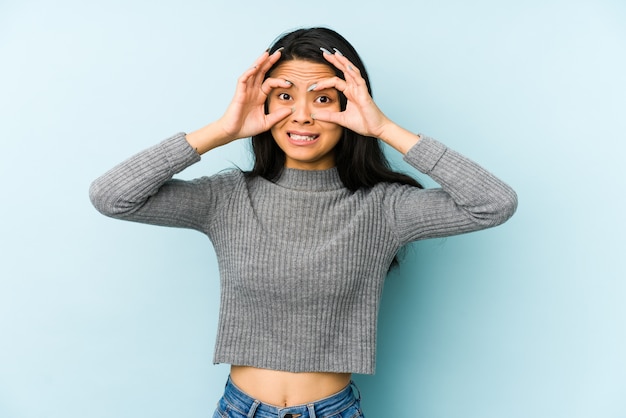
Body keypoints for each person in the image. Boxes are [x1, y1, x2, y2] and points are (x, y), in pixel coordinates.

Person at [90, 27, 517, 418]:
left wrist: (383, 127)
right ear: (265, 105)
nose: (302, 116)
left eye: (323, 98)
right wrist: (222, 130)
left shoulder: (385, 207)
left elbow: (494, 203)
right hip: (239, 409)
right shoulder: (225, 198)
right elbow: (112, 197)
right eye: (286, 96)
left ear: (350, 107)